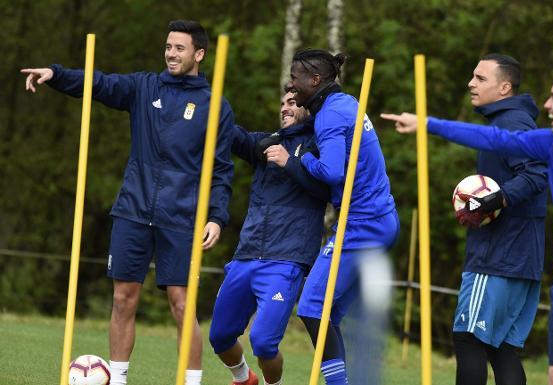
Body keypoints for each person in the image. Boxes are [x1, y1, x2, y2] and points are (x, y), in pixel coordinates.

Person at [21, 20, 235, 385]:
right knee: (123, 298)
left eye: (179, 48)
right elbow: (99, 83)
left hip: (182, 216)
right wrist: (55, 75)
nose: (171, 53)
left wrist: (216, 216)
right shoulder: (143, 86)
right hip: (133, 209)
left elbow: (221, 169)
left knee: (182, 305)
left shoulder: (215, 106)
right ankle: (116, 379)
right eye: (168, 46)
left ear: (198, 54)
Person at [381, 71, 553, 385]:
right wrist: (427, 125)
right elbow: (495, 139)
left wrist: (501, 198)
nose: (545, 105)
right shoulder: (552, 143)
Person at [385, 54, 549, 385]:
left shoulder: (511, 124)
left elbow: (536, 173)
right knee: (500, 349)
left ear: (505, 87)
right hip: (520, 258)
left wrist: (497, 198)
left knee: (469, 338)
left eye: (480, 78)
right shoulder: (513, 121)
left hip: (498, 257)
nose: (470, 83)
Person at [270, 48, 400, 385]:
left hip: (362, 223)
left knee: (313, 307)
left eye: (296, 78)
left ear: (315, 80)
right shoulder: (345, 104)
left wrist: (296, 161)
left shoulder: (330, 115)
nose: (291, 84)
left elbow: (330, 171)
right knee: (329, 315)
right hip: (379, 219)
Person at [208, 91, 329, 385]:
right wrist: (208, 102)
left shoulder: (321, 144)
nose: (284, 108)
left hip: (286, 261)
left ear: (308, 107)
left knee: (263, 343)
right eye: (282, 104)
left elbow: (328, 188)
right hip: (246, 254)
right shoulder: (267, 142)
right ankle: (244, 379)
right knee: (220, 337)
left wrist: (289, 163)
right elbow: (234, 135)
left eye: (292, 103)